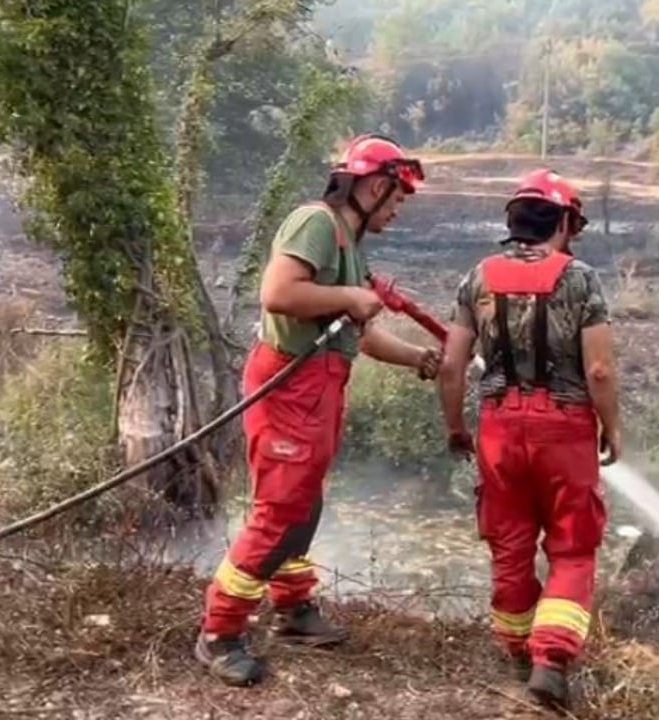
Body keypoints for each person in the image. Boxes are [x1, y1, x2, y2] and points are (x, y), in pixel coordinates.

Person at [196, 134, 442, 687]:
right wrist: (351, 298)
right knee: (279, 509)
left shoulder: (351, 244)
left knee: (304, 505)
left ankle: (293, 608)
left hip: (321, 386)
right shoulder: (317, 223)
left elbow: (359, 335)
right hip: (289, 387)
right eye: (397, 198)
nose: (398, 211)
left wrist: (419, 359)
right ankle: (219, 632)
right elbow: (278, 292)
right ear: (375, 186)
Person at [436, 168, 622, 710]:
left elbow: (451, 366)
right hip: (564, 430)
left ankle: (519, 650)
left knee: (510, 545)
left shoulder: (477, 277)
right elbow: (602, 372)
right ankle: (552, 659)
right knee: (572, 545)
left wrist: (456, 427)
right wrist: (612, 430)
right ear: (565, 221)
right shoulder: (581, 279)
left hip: (498, 427)